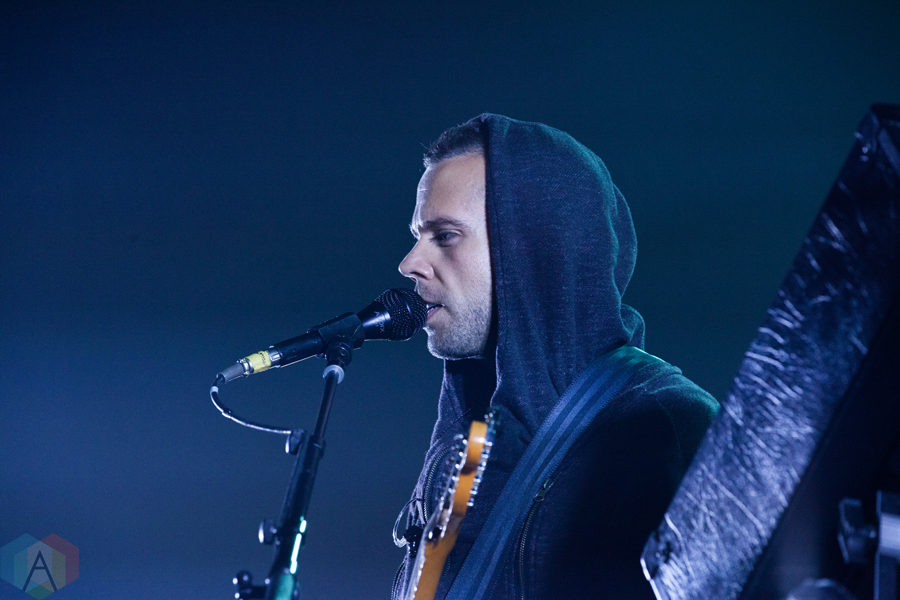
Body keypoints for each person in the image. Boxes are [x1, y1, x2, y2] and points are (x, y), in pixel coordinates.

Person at [392, 114, 719, 600]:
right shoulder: (469, 440)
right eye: (418, 235)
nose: (410, 263)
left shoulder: (661, 425)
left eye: (444, 236)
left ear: (532, 251)